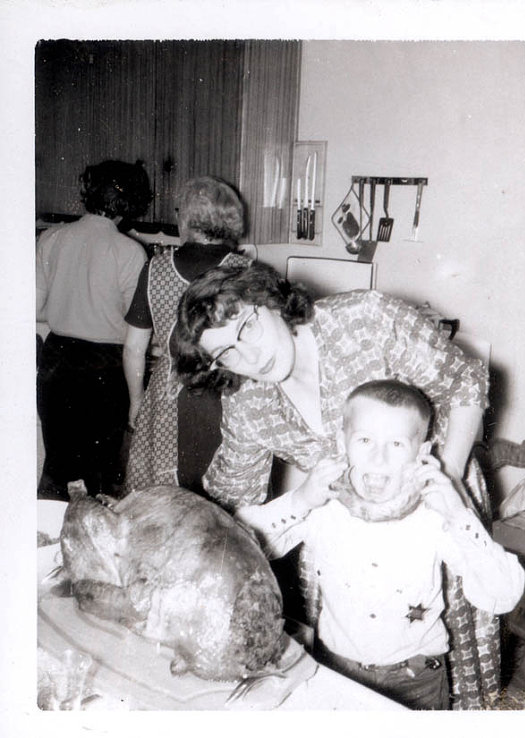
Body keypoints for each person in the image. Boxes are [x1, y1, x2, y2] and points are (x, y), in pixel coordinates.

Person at [172, 260, 501, 709]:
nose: (249, 357)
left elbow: (465, 383)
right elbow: (231, 498)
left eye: (246, 327)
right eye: (226, 353)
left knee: (443, 661)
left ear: (268, 301)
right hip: (339, 531)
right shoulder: (245, 400)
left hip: (437, 500)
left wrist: (443, 482)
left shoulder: (366, 320)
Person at [235, 379, 525, 710]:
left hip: (416, 680)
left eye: (397, 444)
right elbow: (240, 546)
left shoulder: (435, 517)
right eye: (365, 440)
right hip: (335, 668)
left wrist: (459, 514)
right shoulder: (322, 507)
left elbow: (503, 594)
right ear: (342, 445)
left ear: (422, 453)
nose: (378, 457)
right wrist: (299, 500)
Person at [122, 176, 250, 496]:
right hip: (228, 395)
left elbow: (133, 349)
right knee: (224, 501)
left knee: (165, 504)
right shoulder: (247, 270)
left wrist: (136, 401)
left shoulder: (156, 269)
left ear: (186, 219)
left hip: (167, 399)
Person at [36, 160, 153, 499]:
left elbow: (34, 306)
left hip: (56, 361)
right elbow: (137, 327)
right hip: (105, 369)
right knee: (99, 477)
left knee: (58, 466)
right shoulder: (131, 252)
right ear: (128, 203)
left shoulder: (51, 238)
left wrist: (71, 303)